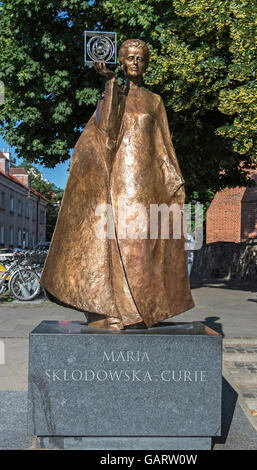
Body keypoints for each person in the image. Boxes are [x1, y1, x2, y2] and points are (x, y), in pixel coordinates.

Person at [40, 39, 194, 330]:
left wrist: (174, 181)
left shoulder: (155, 101)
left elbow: (164, 147)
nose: (135, 62)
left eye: (141, 58)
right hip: (118, 180)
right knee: (119, 240)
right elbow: (106, 131)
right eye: (130, 58)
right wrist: (110, 84)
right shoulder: (112, 95)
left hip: (148, 183)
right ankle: (117, 312)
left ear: (146, 64)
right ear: (121, 62)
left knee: (144, 244)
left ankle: (141, 310)